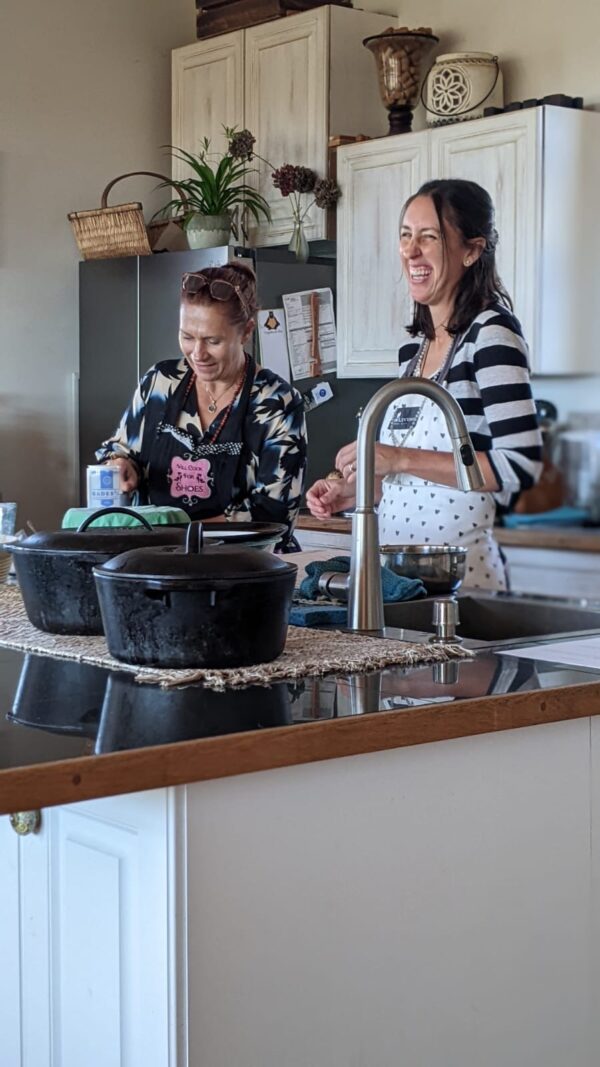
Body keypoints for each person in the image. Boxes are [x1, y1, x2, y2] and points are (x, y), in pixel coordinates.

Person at [306, 179, 543, 590]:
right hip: (404, 584)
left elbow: (518, 466)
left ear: (472, 250)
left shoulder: (491, 337)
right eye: (405, 235)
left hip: (464, 588)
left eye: (429, 237)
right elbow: (418, 483)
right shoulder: (412, 353)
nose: (410, 250)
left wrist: (395, 457)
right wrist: (356, 489)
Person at [96, 263, 307, 547]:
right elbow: (120, 449)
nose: (198, 354)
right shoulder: (160, 383)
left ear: (246, 331)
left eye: (212, 340)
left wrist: (179, 535)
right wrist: (120, 464)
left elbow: (274, 514)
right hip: (153, 563)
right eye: (187, 337)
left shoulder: (277, 404)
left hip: (244, 570)